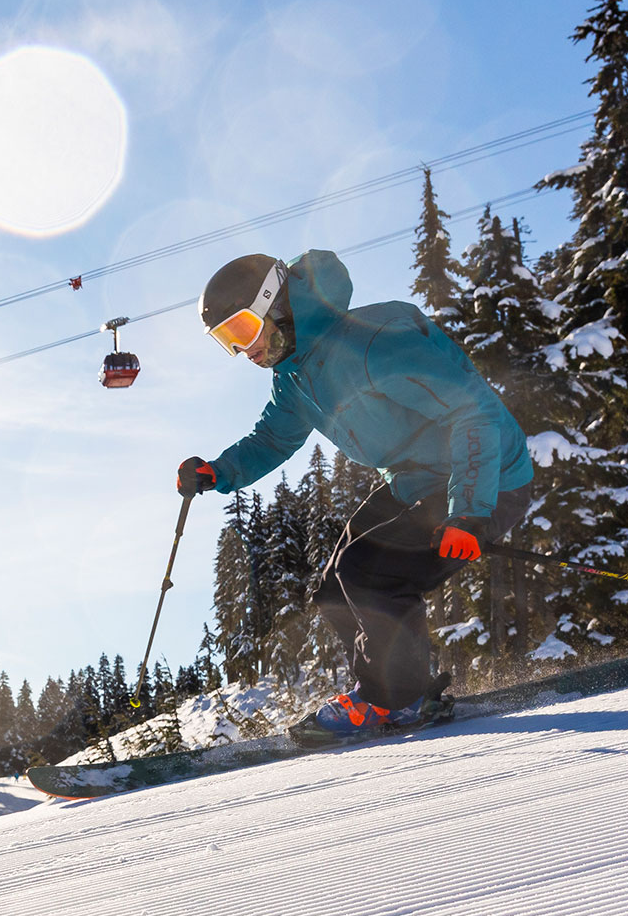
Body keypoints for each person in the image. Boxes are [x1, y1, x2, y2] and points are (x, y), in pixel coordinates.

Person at [179, 249, 536, 738]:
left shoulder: (373, 345)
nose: (243, 350)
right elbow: (274, 439)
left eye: (242, 330)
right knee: (333, 589)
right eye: (227, 341)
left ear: (276, 303)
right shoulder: (295, 376)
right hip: (416, 477)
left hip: (486, 475)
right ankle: (390, 692)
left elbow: (472, 412)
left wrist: (470, 512)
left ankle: (397, 700)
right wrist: (218, 472)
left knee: (371, 573)